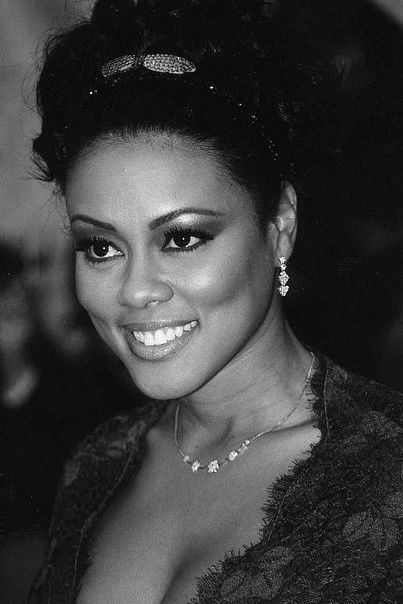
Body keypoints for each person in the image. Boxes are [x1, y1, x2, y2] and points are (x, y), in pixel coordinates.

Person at [29, 1, 402, 602]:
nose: (136, 289)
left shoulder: (388, 476)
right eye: (101, 247)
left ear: (279, 226)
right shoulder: (97, 464)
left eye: (181, 239)